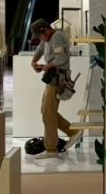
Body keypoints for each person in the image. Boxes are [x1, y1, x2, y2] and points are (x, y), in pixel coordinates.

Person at [29, 19, 82, 159]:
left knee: (48, 113)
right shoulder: (48, 39)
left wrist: (47, 66)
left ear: (45, 30)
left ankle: (51, 149)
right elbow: (41, 49)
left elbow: (62, 57)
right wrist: (34, 61)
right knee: (46, 111)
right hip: (52, 78)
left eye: (40, 36)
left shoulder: (57, 36)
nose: (40, 39)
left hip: (57, 79)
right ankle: (73, 131)